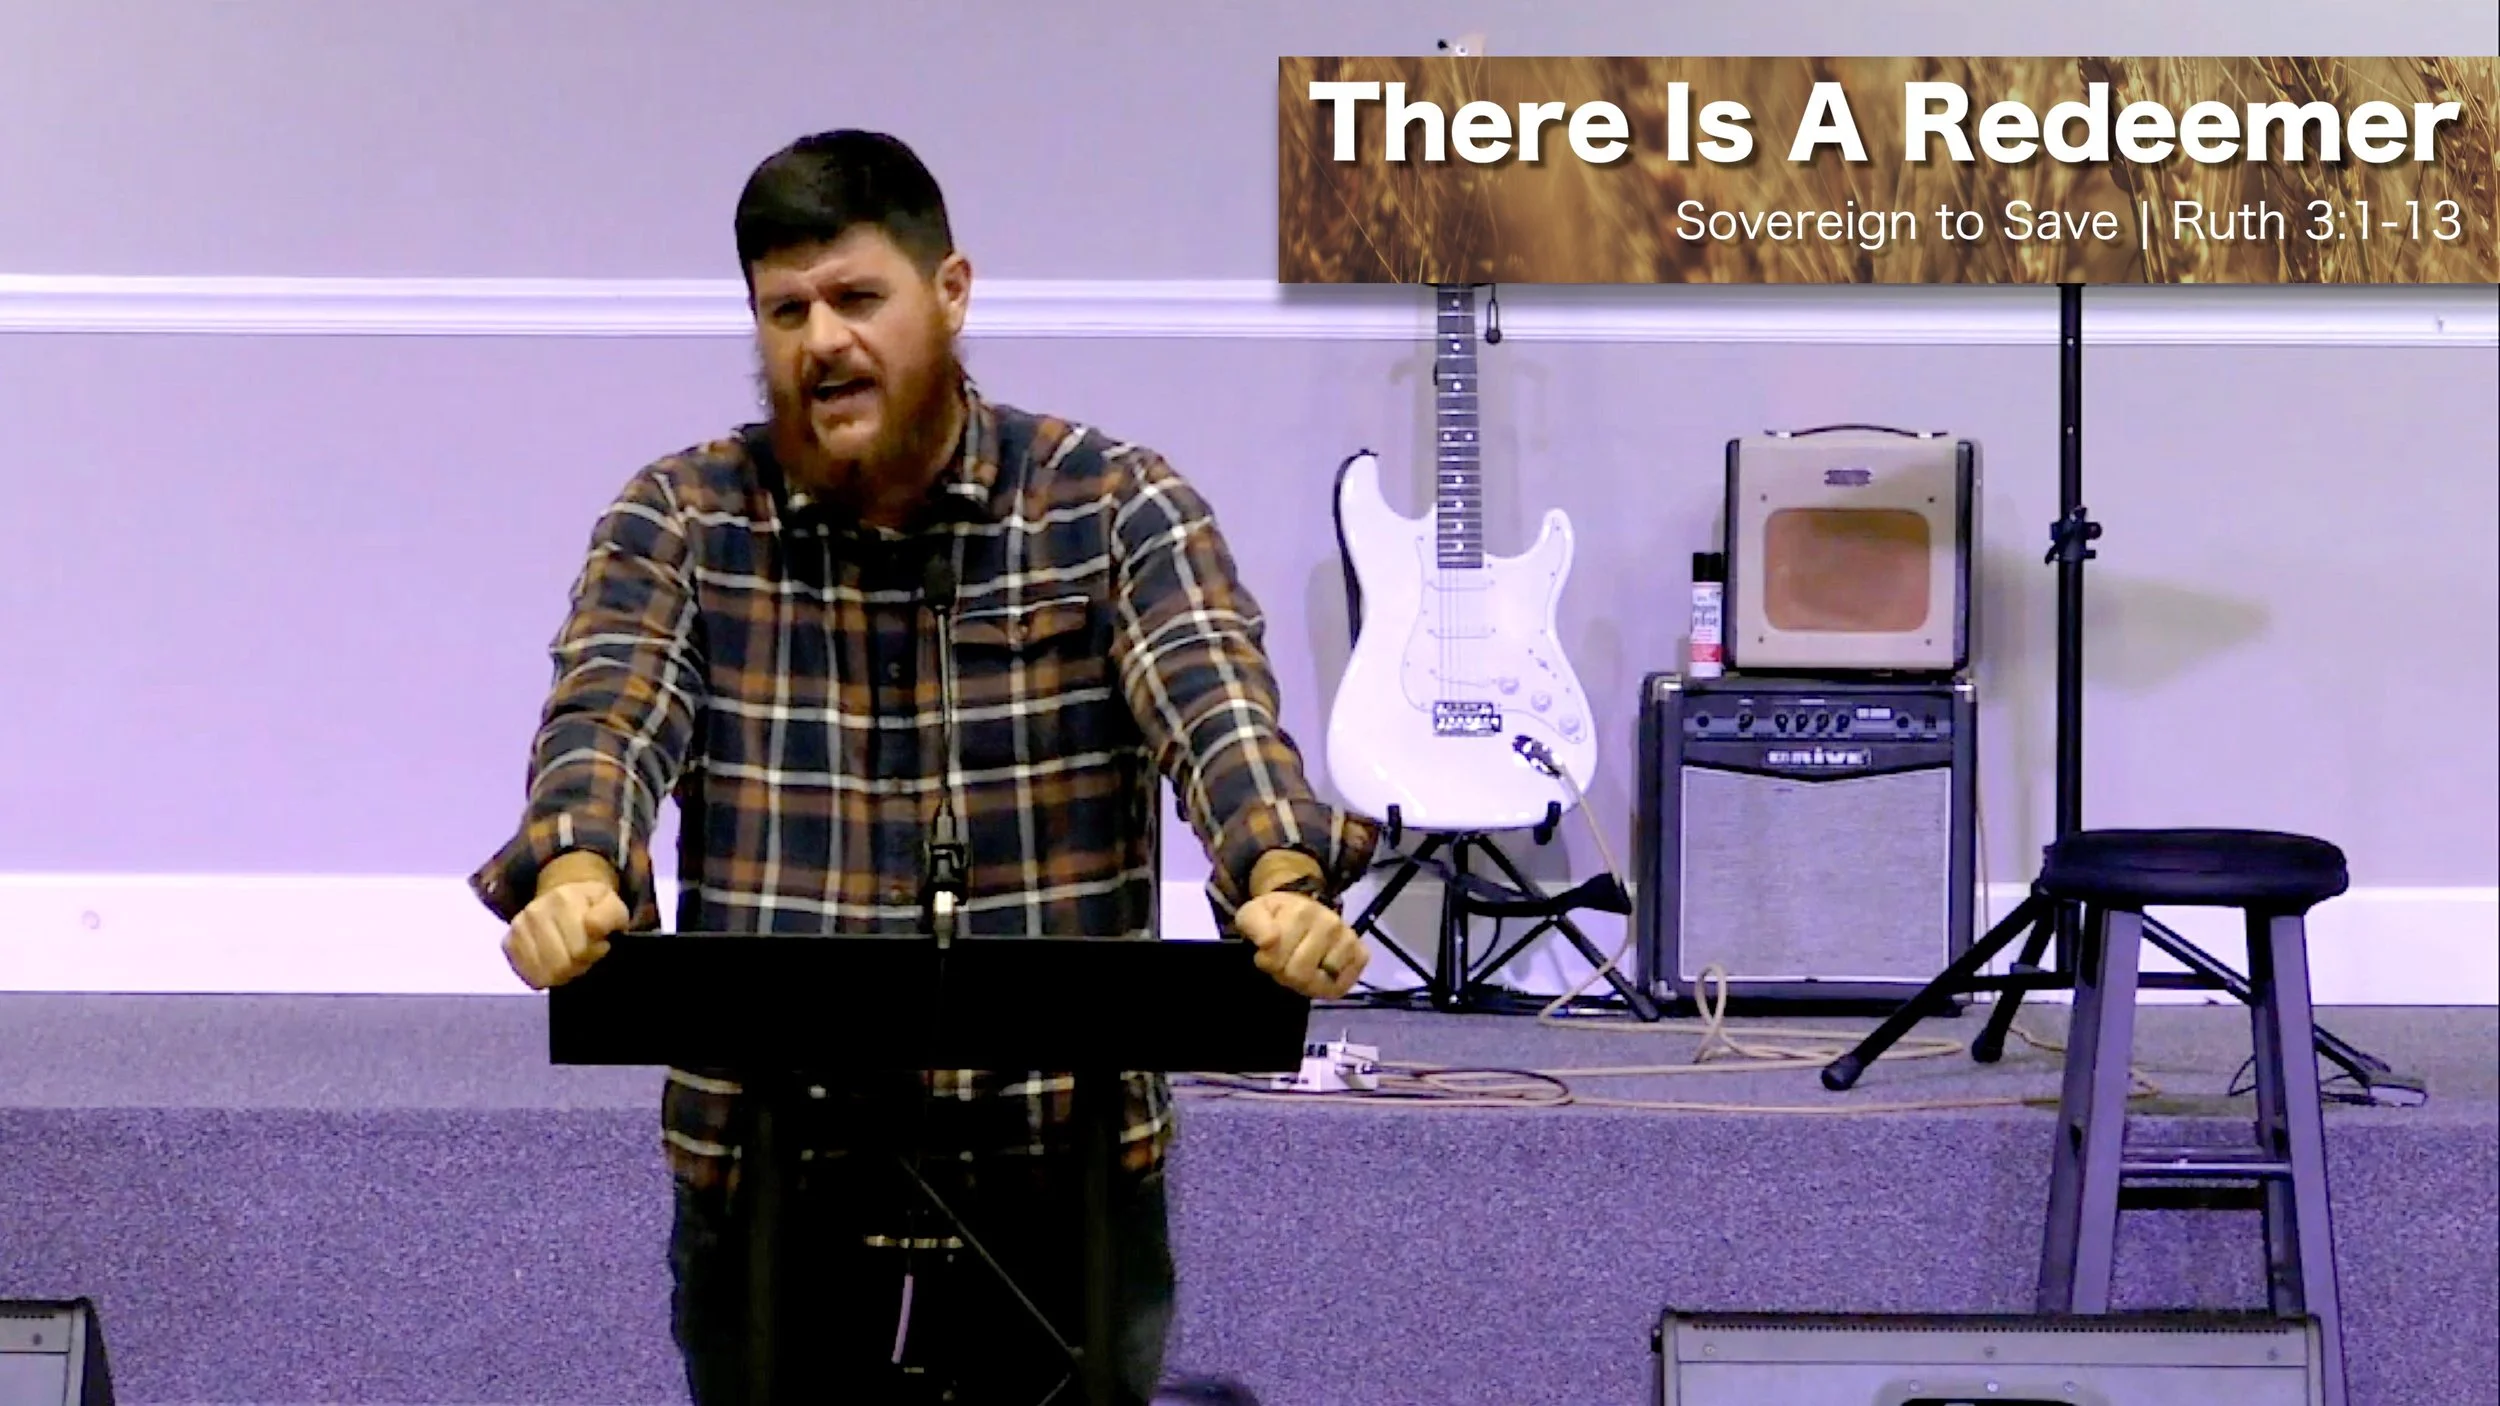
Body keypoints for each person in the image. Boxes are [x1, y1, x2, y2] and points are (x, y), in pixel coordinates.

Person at [470, 129, 1379, 1404]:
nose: (821, 340)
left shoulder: (1112, 503)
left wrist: (1282, 879)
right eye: (785, 311)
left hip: (1055, 1162)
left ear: (950, 291)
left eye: (857, 297)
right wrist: (575, 871)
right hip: (772, 1170)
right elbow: (605, 721)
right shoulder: (681, 516)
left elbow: (1216, 711)